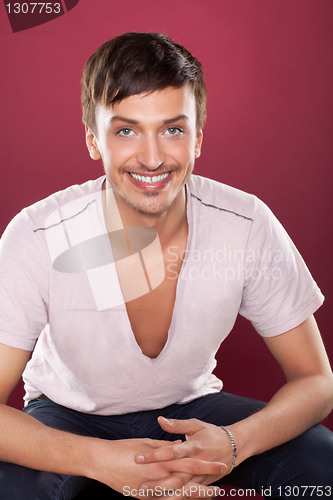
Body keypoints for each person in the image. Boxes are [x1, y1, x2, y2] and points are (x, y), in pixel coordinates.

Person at [0, 32, 332, 500]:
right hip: (69, 417)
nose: (152, 158)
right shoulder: (35, 235)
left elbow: (316, 380)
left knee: (322, 464)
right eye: (126, 130)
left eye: (173, 130)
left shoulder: (247, 222)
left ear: (198, 137)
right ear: (94, 140)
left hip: (192, 413)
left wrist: (234, 446)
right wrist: (99, 461)